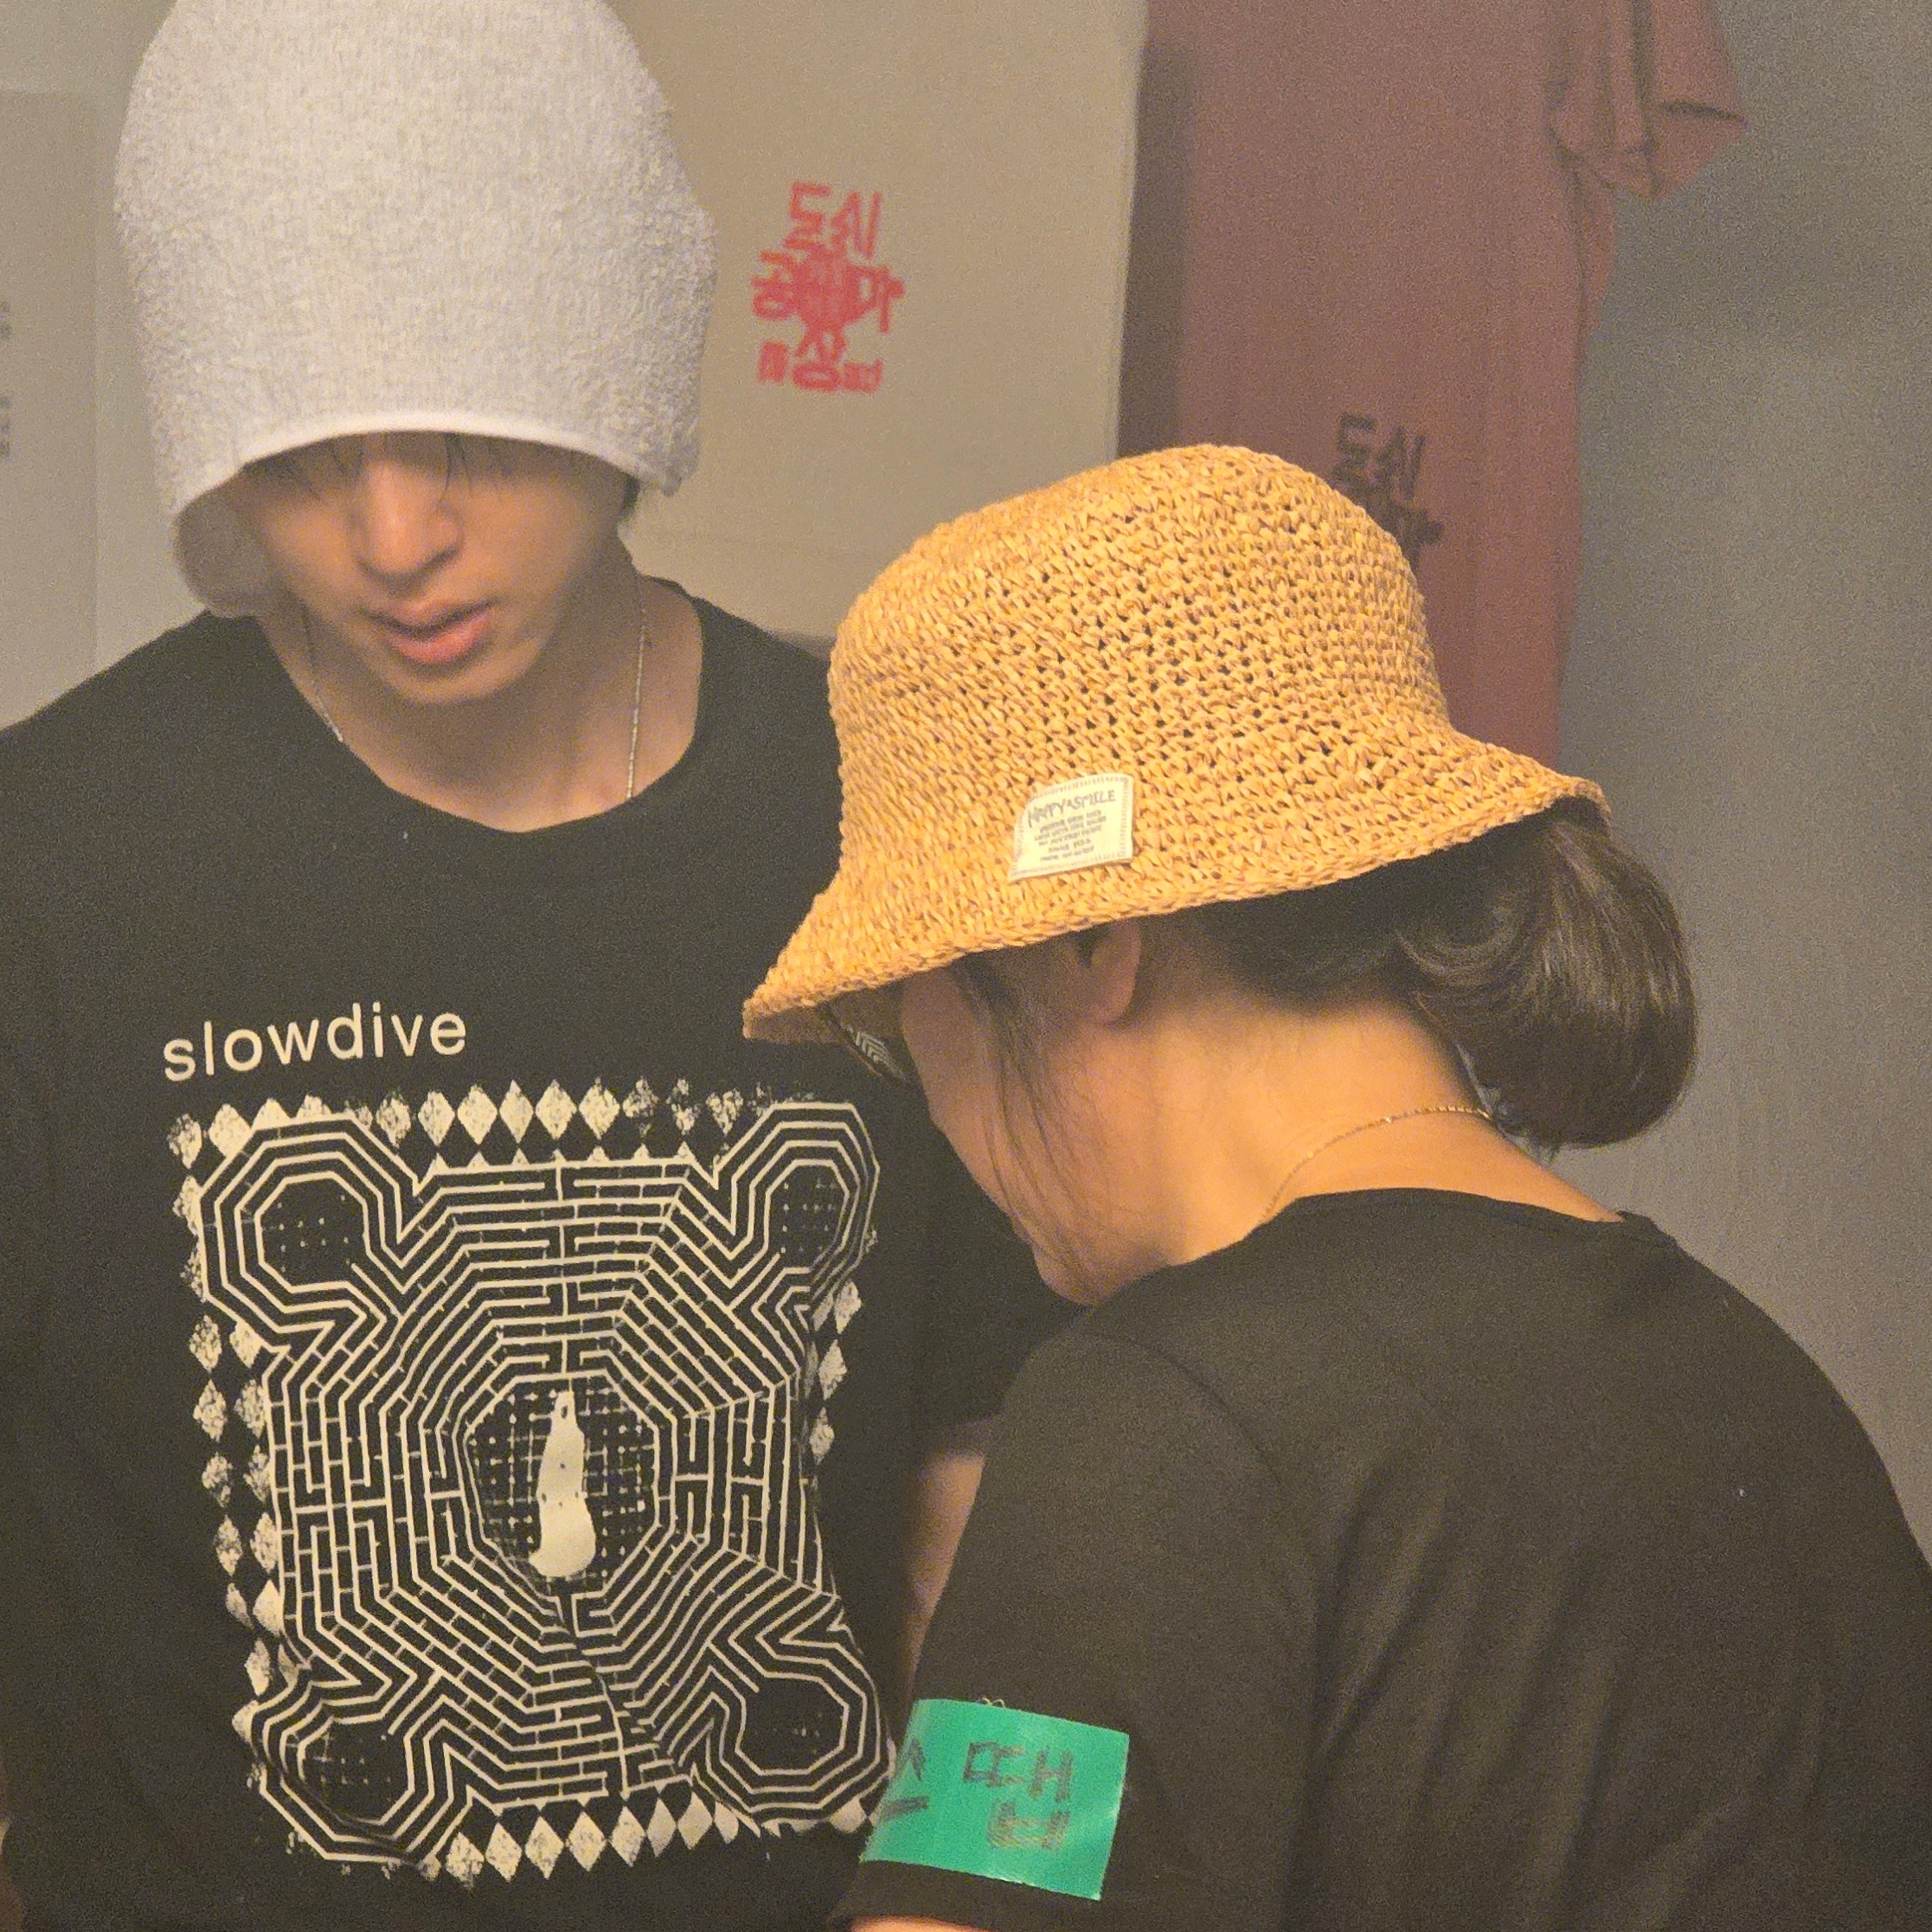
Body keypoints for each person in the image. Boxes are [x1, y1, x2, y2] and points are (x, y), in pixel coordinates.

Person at [0, 2, 1066, 1927]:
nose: (392, 535)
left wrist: (1015, 1899)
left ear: (614, 361)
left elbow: (1006, 1523)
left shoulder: (889, 816)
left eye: (468, 435)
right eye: (300, 456)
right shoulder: (50, 865)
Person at [744, 445, 1932, 1930]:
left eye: (895, 1015)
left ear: (1084, 949)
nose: (925, 1090)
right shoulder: (1755, 1379)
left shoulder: (1157, 1412)